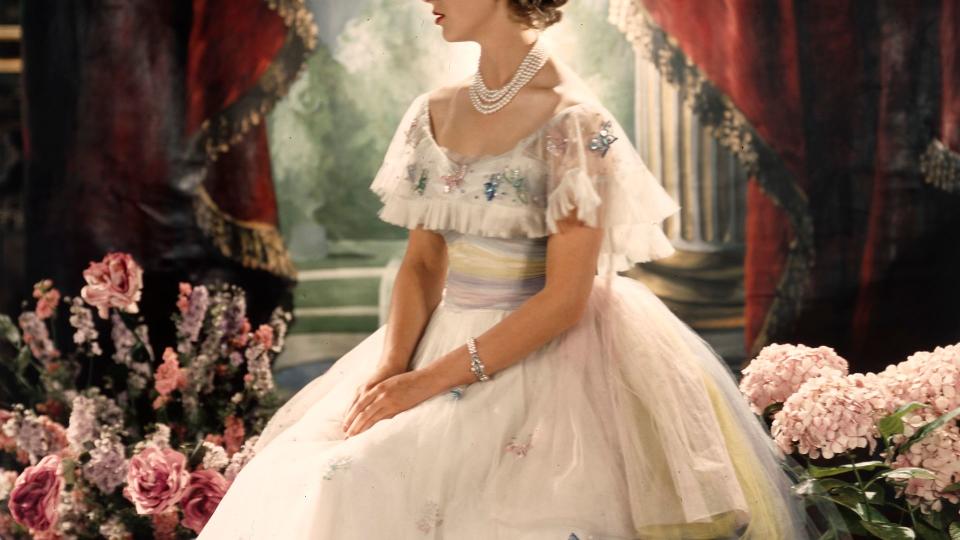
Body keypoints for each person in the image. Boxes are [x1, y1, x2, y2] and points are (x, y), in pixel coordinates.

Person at [198, 1, 825, 538]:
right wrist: (393, 368)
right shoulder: (433, 112)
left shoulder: (576, 123)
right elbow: (421, 262)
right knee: (317, 470)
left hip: (548, 356)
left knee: (380, 481)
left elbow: (562, 302)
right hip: (435, 338)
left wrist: (425, 385)